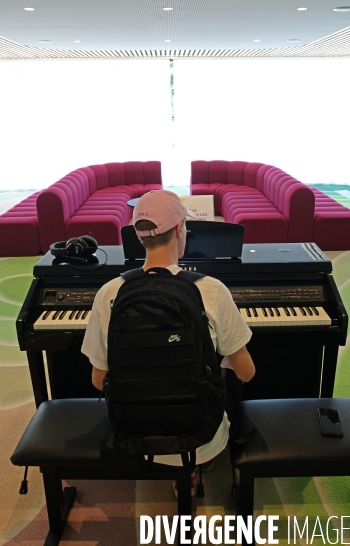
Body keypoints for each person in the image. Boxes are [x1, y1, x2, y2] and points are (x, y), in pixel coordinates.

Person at [81, 189, 255, 492]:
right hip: (201, 438)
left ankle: (170, 467)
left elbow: (99, 380)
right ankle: (201, 461)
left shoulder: (109, 292)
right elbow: (247, 373)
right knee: (230, 373)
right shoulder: (211, 289)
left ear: (138, 235)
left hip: (134, 431)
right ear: (180, 230)